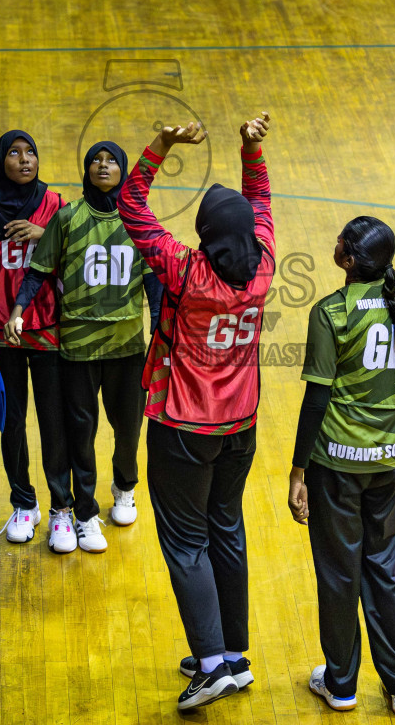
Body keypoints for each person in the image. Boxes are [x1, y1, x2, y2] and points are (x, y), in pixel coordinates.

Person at [116, 113, 276, 712]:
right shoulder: (263, 267)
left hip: (184, 426)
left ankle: (211, 666)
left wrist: (160, 143)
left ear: (206, 234)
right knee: (226, 529)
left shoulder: (186, 271)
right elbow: (260, 203)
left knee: (185, 540)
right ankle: (232, 654)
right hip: (242, 424)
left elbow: (133, 207)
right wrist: (249, 151)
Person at [290, 216, 395, 718]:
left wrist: (297, 469)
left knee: (338, 570)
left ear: (349, 260)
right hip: (389, 459)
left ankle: (342, 684)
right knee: (384, 561)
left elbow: (316, 399)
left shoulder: (331, 312)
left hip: (336, 463)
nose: (334, 245)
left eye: (339, 242)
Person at [7, 142, 162, 554]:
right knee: (81, 433)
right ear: (86, 169)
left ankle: (125, 485)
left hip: (127, 346)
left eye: (111, 160)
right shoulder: (67, 218)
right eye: (96, 159)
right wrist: (18, 309)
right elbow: (37, 271)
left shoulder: (139, 222)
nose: (103, 165)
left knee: (128, 429)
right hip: (77, 347)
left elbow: (154, 282)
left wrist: (161, 332)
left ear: (124, 171)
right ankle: (85, 513)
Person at [0, 130, 72, 548]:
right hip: (1, 334)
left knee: (55, 422)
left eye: (31, 152)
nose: (24, 159)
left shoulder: (55, 204)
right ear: (0, 160)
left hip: (48, 331)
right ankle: (24, 502)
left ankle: (62, 509)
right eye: (14, 153)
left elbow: (84, 246)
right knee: (12, 422)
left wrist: (45, 234)